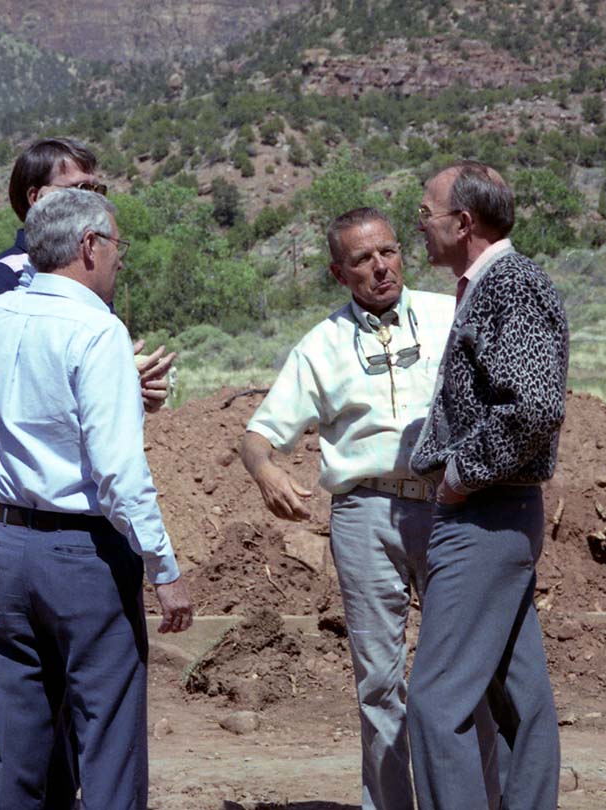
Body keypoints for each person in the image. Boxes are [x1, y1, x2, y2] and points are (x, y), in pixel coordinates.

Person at [241, 207, 465, 810]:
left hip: (452, 507)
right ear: (340, 273)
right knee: (380, 680)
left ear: (402, 253)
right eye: (361, 260)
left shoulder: (451, 315)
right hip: (365, 514)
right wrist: (266, 471)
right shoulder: (321, 346)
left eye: (387, 252)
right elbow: (259, 435)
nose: (379, 268)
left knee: (466, 674)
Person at [0, 188, 192, 810]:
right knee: (109, 737)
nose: (121, 259)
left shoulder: (1, 316)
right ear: (90, 246)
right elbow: (119, 472)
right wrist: (163, 568)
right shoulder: (98, 333)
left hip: (9, 546)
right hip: (84, 556)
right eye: (117, 245)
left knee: (16, 744)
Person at [407, 161, 569, 810]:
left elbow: (532, 406)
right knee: (514, 699)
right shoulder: (492, 285)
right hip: (496, 515)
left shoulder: (511, 285)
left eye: (425, 213)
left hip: (484, 515)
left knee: (435, 700)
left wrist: (458, 476)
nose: (418, 225)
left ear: (463, 222)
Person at [0, 137, 174, 411]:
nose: (94, 201)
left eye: (97, 189)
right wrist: (112, 382)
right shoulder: (3, 274)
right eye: (80, 189)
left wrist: (136, 391)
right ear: (36, 198)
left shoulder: (87, 267)